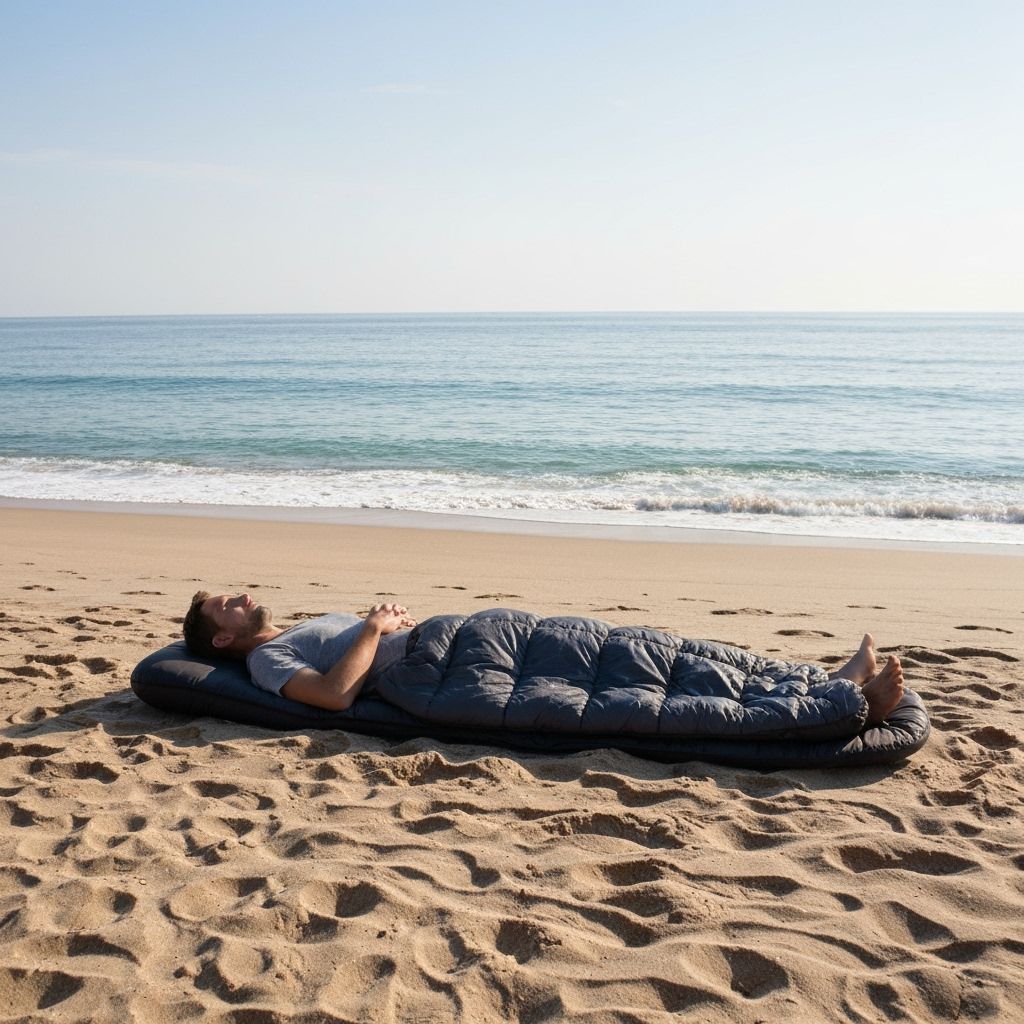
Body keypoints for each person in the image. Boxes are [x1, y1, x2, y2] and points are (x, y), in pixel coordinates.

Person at [182, 591, 905, 724]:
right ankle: (841, 706)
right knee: (643, 689)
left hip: (467, 638)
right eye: (226, 605)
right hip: (447, 670)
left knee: (649, 652)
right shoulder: (263, 666)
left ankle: (818, 681)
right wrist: (375, 627)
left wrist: (383, 623)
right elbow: (335, 697)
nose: (242, 596)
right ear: (221, 639)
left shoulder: (284, 635)